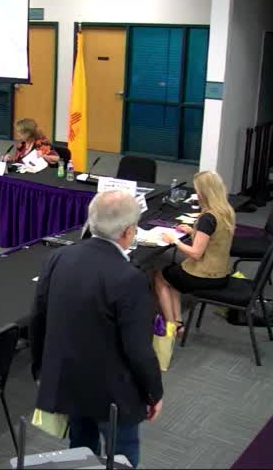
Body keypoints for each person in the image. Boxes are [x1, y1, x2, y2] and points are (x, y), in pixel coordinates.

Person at [29, 190, 163, 468]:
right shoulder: (130, 278)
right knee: (122, 454)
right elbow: (138, 349)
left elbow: (39, 318)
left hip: (70, 379)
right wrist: (154, 392)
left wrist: (41, 369)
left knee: (80, 448)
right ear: (129, 231)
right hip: (114, 393)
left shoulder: (58, 257)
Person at [154, 171, 235, 333]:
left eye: (198, 190)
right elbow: (215, 238)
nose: (196, 194)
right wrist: (193, 231)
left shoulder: (207, 218)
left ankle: (171, 324)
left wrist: (174, 240)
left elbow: (196, 254)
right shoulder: (226, 211)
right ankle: (178, 322)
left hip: (205, 276)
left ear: (204, 193)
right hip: (223, 273)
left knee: (160, 277)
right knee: (174, 274)